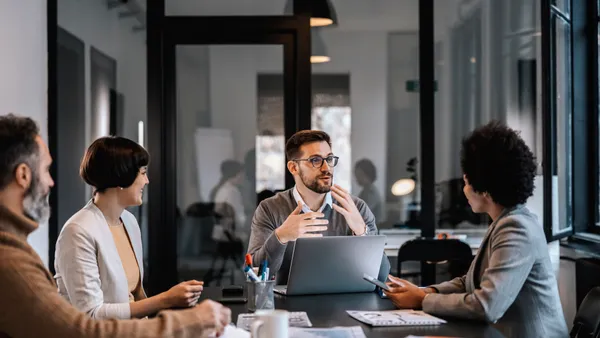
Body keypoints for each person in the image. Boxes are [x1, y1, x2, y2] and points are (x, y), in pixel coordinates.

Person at [0, 114, 230, 337]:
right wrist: (177, 312)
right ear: (22, 175)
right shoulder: (61, 238)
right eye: (46, 170)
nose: (51, 182)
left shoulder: (129, 222)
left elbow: (136, 297)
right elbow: (86, 322)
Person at [383, 121, 568, 338]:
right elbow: (469, 282)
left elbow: (486, 306)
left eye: (466, 180)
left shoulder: (516, 229)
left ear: (485, 188)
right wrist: (424, 291)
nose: (464, 188)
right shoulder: (504, 221)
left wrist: (422, 300)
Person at [53, 136, 205, 319]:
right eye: (142, 173)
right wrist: (166, 299)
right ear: (121, 176)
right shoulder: (77, 231)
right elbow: (91, 314)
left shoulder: (129, 221)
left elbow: (135, 295)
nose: (147, 181)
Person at [247, 130, 390, 284]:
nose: (326, 168)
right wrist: (281, 236)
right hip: (288, 305)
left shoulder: (356, 208)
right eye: (315, 160)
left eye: (329, 159)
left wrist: (362, 232)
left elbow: (381, 277)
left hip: (344, 303)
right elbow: (255, 274)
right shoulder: (270, 209)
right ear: (294, 168)